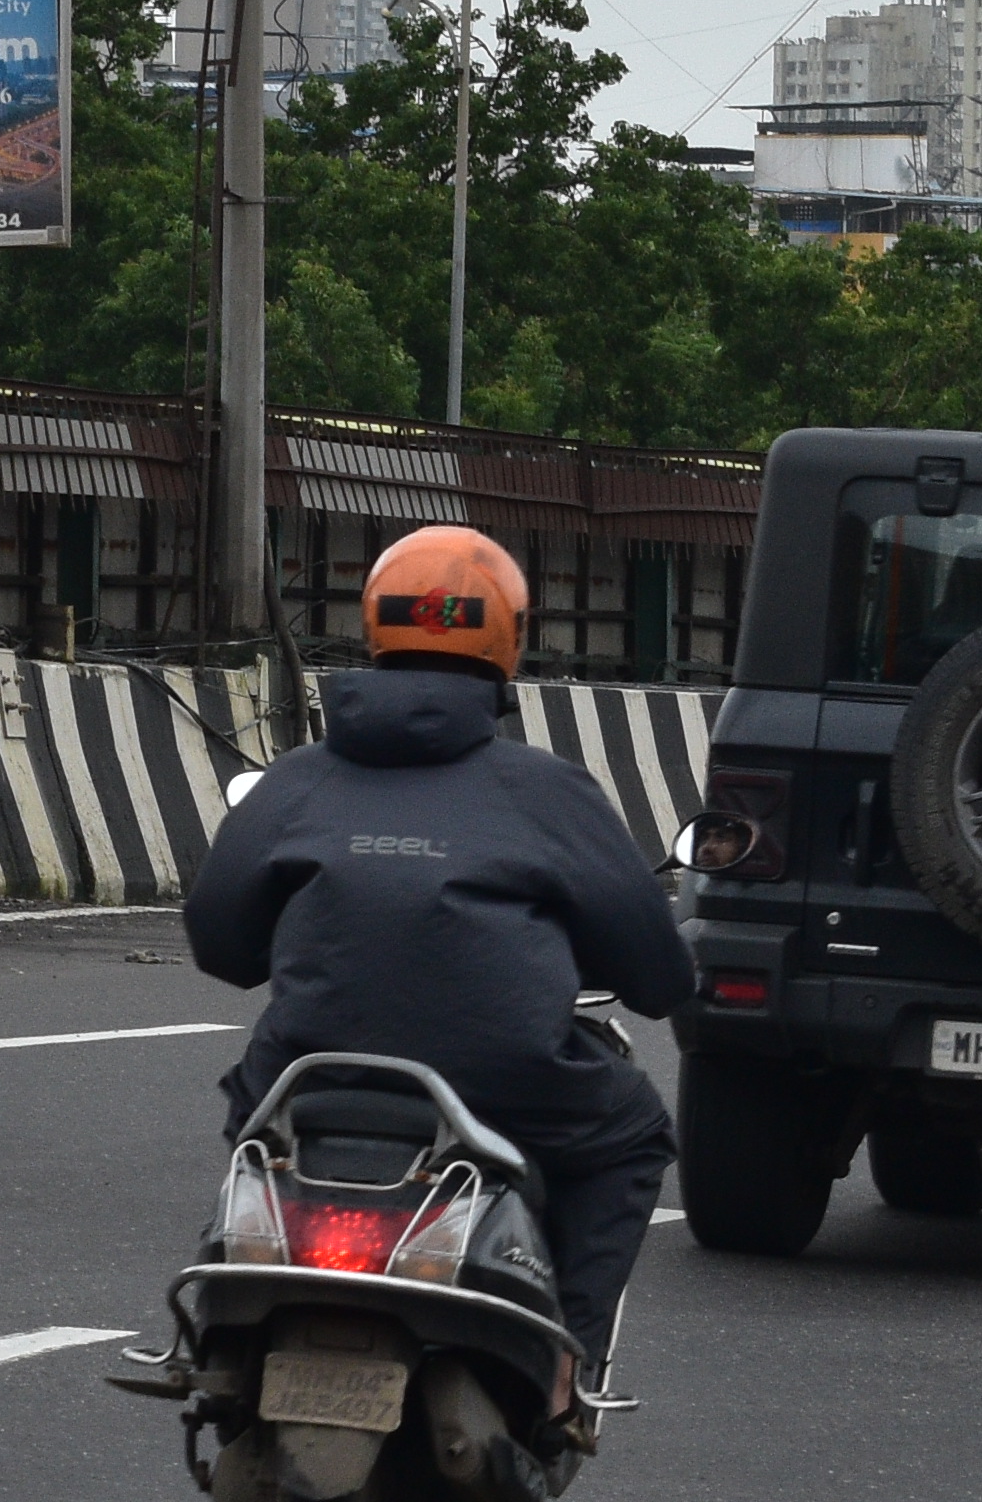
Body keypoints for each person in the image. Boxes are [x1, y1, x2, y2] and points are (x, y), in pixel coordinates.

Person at [186, 522, 693, 1349]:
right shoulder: (548, 791)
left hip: (309, 1077)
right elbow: (658, 974)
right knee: (634, 1133)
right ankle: (567, 1360)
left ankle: (221, 1340)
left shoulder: (297, 781)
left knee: (254, 1130)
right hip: (509, 1087)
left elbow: (220, 944)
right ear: (511, 640)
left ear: (375, 625)